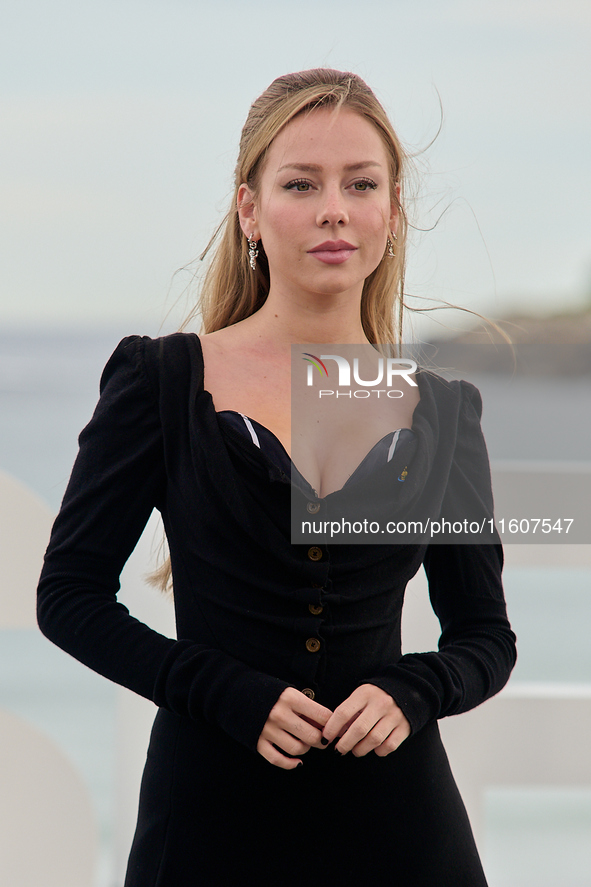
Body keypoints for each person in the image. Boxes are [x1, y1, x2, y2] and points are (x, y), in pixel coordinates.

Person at [37, 68, 516, 886]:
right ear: (250, 208)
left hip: (402, 837)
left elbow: (484, 635)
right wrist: (215, 687)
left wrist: (415, 686)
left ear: (390, 212)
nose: (334, 206)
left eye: (359, 183)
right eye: (301, 182)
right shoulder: (163, 382)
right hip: (207, 829)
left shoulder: (440, 411)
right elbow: (69, 595)